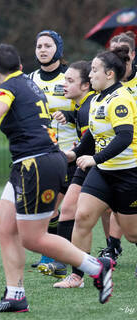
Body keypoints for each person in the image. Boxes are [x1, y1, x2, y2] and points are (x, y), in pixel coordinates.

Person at [0, 43, 115, 312]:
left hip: (36, 164)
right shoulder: (28, 83)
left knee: (33, 238)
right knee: (4, 226)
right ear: (19, 65)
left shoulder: (7, 88)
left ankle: (95, 266)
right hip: (28, 163)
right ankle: (16, 295)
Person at [66, 46, 137, 288]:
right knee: (82, 217)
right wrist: (73, 153)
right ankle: (77, 275)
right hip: (103, 173)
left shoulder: (121, 99)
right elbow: (92, 137)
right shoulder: (97, 99)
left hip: (129, 174)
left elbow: (124, 136)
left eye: (94, 70)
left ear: (109, 74)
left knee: (132, 234)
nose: (90, 75)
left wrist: (95, 159)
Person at [40, 61, 97, 287]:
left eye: (70, 81)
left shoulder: (87, 107)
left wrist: (70, 154)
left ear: (85, 85)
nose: (64, 84)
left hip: (104, 167)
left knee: (129, 229)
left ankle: (78, 266)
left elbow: (89, 145)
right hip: (88, 166)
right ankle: (72, 271)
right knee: (70, 214)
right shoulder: (79, 107)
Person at [28, 30, 78, 273]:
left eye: (48, 45)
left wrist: (69, 115)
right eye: (39, 46)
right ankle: (54, 254)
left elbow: (87, 108)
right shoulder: (30, 79)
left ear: (58, 49)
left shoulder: (70, 78)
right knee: (47, 207)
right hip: (41, 154)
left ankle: (58, 256)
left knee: (53, 208)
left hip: (70, 154)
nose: (43, 50)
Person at [98, 31, 137, 268]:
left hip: (132, 155)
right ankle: (112, 246)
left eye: (123, 51)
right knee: (107, 204)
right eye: (113, 52)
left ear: (133, 54)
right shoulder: (105, 85)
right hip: (114, 156)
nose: (119, 56)